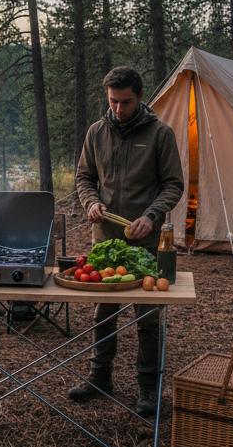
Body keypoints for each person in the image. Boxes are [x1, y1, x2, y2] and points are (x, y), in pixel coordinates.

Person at [69, 65, 183, 415]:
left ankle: (149, 389)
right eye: (113, 101)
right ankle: (99, 377)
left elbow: (173, 185)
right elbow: (84, 178)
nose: (118, 109)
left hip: (145, 243)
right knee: (104, 314)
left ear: (139, 97)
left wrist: (151, 216)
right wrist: (91, 203)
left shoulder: (159, 135)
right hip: (104, 240)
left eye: (125, 102)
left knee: (148, 318)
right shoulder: (96, 132)